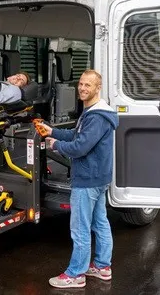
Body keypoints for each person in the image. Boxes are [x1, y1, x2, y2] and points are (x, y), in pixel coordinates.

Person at [37, 69, 119, 289]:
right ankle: (102, 267)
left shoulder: (96, 116)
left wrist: (56, 145)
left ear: (98, 88)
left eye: (88, 85)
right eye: (81, 84)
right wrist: (52, 131)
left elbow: (80, 147)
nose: (82, 88)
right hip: (98, 178)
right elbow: (77, 135)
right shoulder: (94, 112)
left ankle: (76, 274)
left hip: (88, 179)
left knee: (80, 229)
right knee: (99, 223)